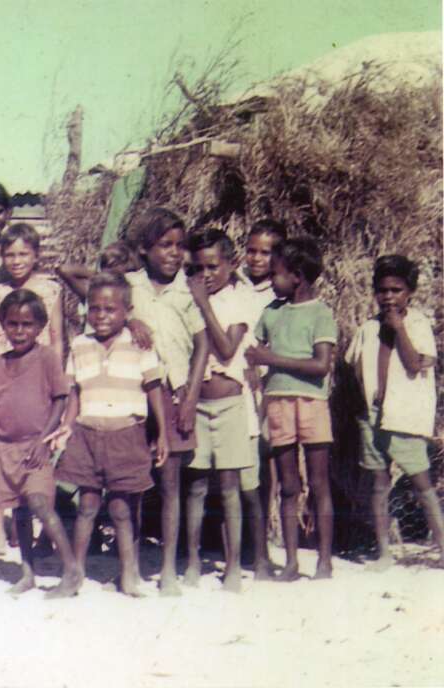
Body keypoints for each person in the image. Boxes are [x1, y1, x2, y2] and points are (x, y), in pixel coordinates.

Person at [52, 271, 168, 597]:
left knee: (121, 508)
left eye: (110, 310)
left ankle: (128, 575)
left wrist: (163, 434)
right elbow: (75, 392)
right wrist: (66, 426)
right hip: (87, 435)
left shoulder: (139, 343)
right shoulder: (80, 345)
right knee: (87, 505)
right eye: (94, 309)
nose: (101, 316)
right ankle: (74, 574)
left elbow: (154, 387)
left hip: (126, 435)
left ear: (127, 312)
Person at [125, 207, 209, 596]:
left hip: (175, 395)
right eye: (164, 245)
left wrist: (191, 397)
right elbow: (95, 302)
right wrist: (130, 320)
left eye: (179, 246)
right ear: (144, 249)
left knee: (172, 484)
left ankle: (170, 569)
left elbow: (203, 343)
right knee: (137, 484)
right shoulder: (129, 286)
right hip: (135, 398)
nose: (174, 253)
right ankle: (135, 563)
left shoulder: (186, 291)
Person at [246, 238, 337, 581]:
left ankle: (324, 562)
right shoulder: (271, 312)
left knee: (319, 483)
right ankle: (293, 562)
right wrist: (258, 378)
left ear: (297, 276)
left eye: (277, 274)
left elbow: (321, 365)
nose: (271, 280)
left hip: (312, 403)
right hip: (279, 403)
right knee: (287, 486)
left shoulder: (321, 313)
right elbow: (253, 354)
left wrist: (272, 360)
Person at [345, 255, 443, 569]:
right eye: (383, 290)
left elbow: (415, 364)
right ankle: (384, 553)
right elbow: (355, 367)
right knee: (378, 484)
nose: (389, 296)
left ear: (409, 292)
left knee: (421, 482)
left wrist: (399, 328)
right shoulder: (368, 328)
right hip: (374, 417)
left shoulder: (417, 324)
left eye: (397, 290)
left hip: (404, 418)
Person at [0, 289, 80, 598]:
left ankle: (72, 571)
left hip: (36, 446)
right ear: (2, 323)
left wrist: (45, 439)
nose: (19, 331)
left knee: (41, 502)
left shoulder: (46, 357)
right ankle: (27, 571)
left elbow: (60, 398)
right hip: (6, 448)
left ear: (40, 326)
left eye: (26, 324)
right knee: (18, 512)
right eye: (12, 323)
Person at [184, 228, 255, 592]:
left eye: (213, 267)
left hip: (229, 404)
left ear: (232, 264)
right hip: (198, 403)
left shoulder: (240, 301)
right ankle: (194, 559)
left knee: (229, 487)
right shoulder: (189, 298)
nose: (206, 275)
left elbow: (227, 349)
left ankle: (232, 565)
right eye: (198, 268)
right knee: (196, 485)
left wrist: (203, 304)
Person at [236, 220, 287, 580]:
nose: (256, 258)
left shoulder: (280, 295)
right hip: (232, 380)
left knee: (262, 460)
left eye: (265, 252)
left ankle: (260, 549)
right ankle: (234, 546)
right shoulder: (234, 283)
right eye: (251, 250)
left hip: (265, 384)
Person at [0, 223, 63, 354]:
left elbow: (56, 339)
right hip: (6, 366)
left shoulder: (51, 291)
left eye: (23, 254)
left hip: (39, 365)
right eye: (10, 255)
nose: (16, 261)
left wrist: (55, 371)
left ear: (36, 256)